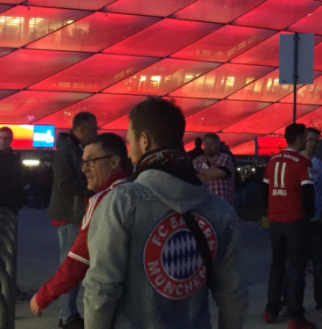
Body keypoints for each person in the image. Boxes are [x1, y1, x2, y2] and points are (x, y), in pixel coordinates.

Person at [83, 97, 247, 329]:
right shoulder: (221, 212)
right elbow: (233, 295)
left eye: (130, 143)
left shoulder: (122, 202)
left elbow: (101, 289)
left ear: (144, 140)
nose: (129, 154)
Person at [32, 133, 132, 317]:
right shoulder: (139, 191)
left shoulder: (103, 200)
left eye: (91, 161)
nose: (84, 169)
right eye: (83, 162)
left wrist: (43, 295)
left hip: (116, 306)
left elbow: (78, 261)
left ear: (114, 161)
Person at [263, 123, 317, 329]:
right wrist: (309, 214)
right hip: (295, 220)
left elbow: (264, 188)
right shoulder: (303, 163)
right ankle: (296, 316)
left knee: (277, 265)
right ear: (298, 138)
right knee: (296, 268)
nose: (306, 140)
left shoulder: (272, 161)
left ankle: (271, 309)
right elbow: (308, 193)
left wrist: (270, 209)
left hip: (276, 220)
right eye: (304, 137)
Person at [49, 112, 98, 329]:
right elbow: (65, 185)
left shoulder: (73, 149)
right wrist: (92, 185)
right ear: (83, 128)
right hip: (69, 214)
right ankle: (67, 315)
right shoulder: (66, 151)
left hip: (74, 214)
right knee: (71, 265)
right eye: (94, 128)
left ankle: (69, 313)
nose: (96, 133)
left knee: (74, 264)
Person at [302, 127, 322, 318]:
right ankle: (290, 302)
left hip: (316, 222)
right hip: (297, 222)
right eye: (310, 139)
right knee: (295, 265)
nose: (313, 143)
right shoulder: (294, 163)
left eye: (316, 140)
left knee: (319, 265)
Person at [193, 133, 237, 206]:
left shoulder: (225, 158)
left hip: (224, 205)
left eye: (212, 144)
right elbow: (195, 179)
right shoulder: (196, 160)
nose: (208, 146)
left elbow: (221, 173)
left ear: (218, 145)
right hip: (204, 204)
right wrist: (215, 175)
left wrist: (202, 171)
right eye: (206, 144)